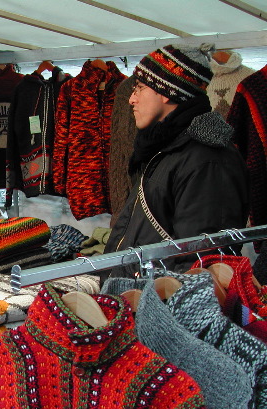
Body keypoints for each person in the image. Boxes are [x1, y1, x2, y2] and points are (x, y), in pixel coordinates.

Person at [104, 43, 249, 276]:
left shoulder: (208, 161)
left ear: (165, 90)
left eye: (139, 88)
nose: (131, 99)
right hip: (135, 295)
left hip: (160, 302)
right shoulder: (165, 149)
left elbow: (201, 264)